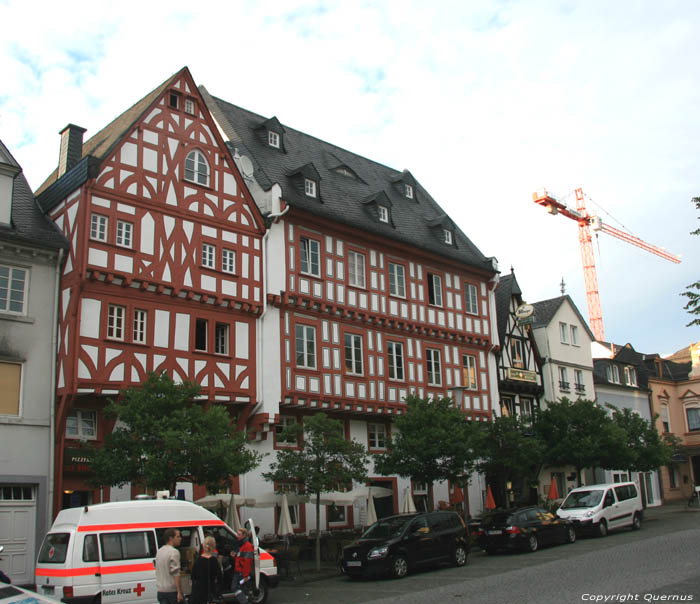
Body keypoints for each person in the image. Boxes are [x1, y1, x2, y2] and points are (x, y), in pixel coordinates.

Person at [191, 536, 222, 604]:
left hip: (200, 590)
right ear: (214, 546)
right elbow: (219, 576)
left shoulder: (198, 560)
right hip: (211, 589)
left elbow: (193, 576)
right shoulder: (214, 560)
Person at [155, 528, 183, 604]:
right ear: (171, 538)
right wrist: (179, 592)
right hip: (171, 591)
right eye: (178, 536)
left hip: (161, 590)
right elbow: (176, 573)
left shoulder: (159, 551)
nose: (180, 539)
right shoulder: (174, 552)